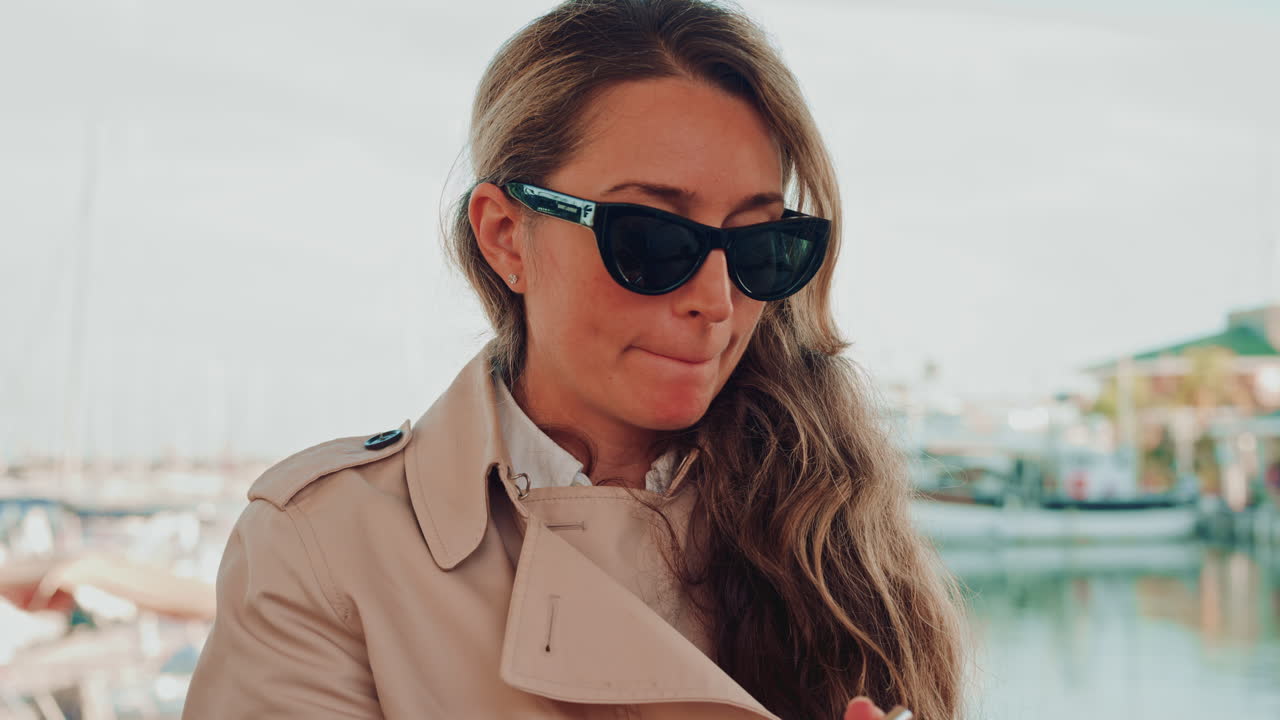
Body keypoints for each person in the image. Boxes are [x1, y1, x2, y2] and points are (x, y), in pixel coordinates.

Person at [182, 1, 971, 718]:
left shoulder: (836, 536)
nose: (717, 300)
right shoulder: (330, 550)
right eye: (653, 239)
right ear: (505, 238)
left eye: (763, 248)